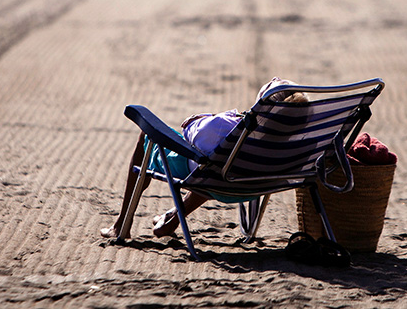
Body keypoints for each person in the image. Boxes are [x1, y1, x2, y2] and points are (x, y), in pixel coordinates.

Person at [101, 78, 307, 240]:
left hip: (215, 177)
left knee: (151, 138)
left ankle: (121, 225)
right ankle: (173, 218)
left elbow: (190, 132)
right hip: (255, 185)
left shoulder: (227, 127)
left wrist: (197, 119)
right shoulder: (289, 142)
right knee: (218, 162)